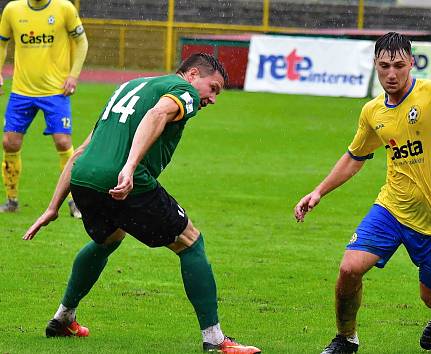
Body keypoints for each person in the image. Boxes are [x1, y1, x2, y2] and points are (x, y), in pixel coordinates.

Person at [23, 53, 261, 353]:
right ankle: (215, 339)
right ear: (192, 75)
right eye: (213, 88)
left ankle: (63, 317)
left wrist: (53, 207)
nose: (213, 99)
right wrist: (130, 167)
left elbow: (83, 148)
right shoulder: (182, 90)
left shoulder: (129, 86)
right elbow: (157, 115)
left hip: (84, 178)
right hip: (123, 179)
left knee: (109, 239)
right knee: (191, 243)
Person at [293, 32, 431, 353]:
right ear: (375, 65)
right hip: (392, 209)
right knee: (349, 269)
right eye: (384, 66)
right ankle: (346, 338)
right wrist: (319, 191)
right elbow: (355, 156)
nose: (391, 74)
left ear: (412, 64)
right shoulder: (373, 112)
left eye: (399, 66)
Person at [0, 0, 87, 217]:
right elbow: (2, 43)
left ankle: (73, 201)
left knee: (63, 141)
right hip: (21, 91)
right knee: (9, 143)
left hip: (56, 92)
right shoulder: (12, 10)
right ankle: (11, 201)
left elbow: (82, 42)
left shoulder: (64, 8)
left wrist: (73, 75)